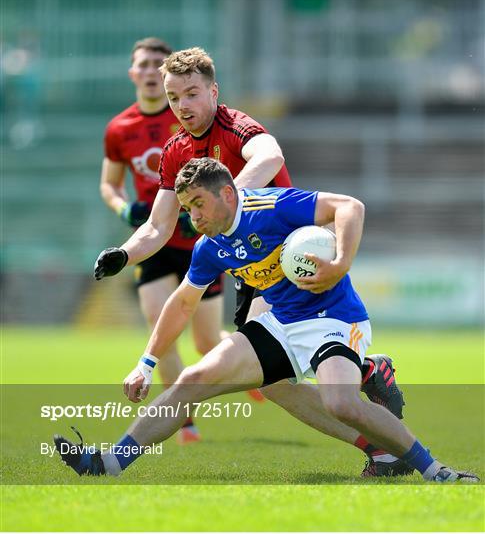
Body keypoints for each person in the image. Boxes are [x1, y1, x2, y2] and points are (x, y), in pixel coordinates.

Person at [55, 158, 478, 483]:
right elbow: (182, 303)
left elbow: (350, 206)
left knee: (340, 402)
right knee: (190, 381)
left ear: (227, 193)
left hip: (334, 318)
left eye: (198, 204)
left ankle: (435, 470)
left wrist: (339, 263)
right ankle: (106, 464)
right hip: (279, 324)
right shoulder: (209, 246)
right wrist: (146, 363)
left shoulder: (274, 207)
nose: (193, 217)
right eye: (186, 208)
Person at [94, 46, 407, 475]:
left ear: (213, 91)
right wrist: (124, 254)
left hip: (286, 258)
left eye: (191, 94)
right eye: (174, 97)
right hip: (251, 267)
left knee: (274, 375)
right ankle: (377, 425)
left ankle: (377, 421)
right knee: (277, 385)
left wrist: (229, 209)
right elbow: (158, 226)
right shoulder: (175, 151)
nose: (182, 106)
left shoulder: (237, 125)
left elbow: (270, 156)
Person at [99, 37, 224, 444]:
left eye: (158, 63)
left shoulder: (190, 119)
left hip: (198, 242)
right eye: (143, 64)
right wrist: (124, 211)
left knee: (207, 340)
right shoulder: (120, 128)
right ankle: (184, 419)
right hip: (154, 238)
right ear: (133, 73)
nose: (151, 71)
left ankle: (243, 356)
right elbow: (109, 185)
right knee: (160, 322)